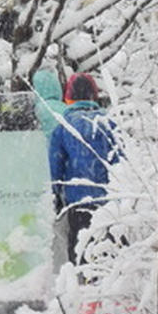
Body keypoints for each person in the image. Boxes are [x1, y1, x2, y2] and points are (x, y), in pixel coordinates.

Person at [48, 72, 121, 266]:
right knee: (107, 245)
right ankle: (106, 285)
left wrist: (54, 195)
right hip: (108, 199)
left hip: (77, 198)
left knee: (79, 244)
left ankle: (81, 285)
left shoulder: (64, 127)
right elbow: (121, 160)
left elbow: (55, 166)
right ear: (94, 95)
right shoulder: (109, 123)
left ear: (68, 96)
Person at [32, 68, 68, 273]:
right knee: (61, 222)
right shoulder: (64, 110)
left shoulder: (36, 110)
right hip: (63, 172)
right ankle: (61, 263)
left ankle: (44, 266)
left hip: (40, 171)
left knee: (44, 219)